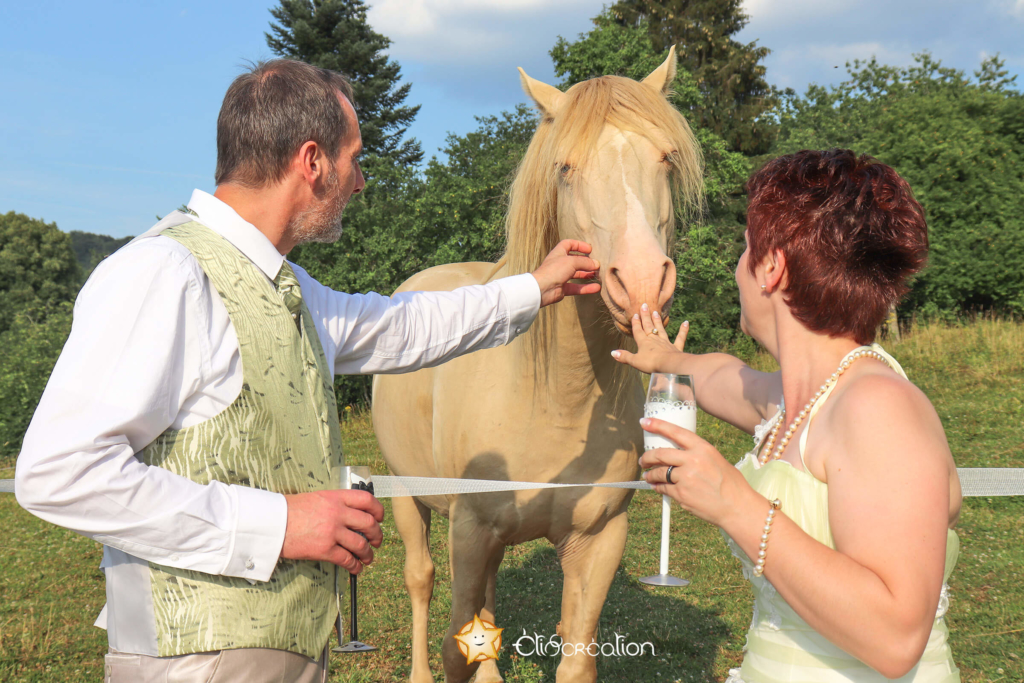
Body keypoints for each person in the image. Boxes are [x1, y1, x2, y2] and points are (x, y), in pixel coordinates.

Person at [14, 59, 601, 683]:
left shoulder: (279, 286)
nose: (361, 181)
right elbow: (59, 472)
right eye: (355, 158)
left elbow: (399, 327)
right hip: (198, 663)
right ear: (312, 160)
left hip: (276, 652)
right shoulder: (165, 274)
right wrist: (281, 524)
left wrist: (534, 288)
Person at [613, 149, 962, 682]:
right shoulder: (799, 399)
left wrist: (732, 502)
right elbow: (726, 379)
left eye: (745, 249)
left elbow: (896, 638)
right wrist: (666, 360)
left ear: (772, 266)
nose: (737, 268)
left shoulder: (877, 407)